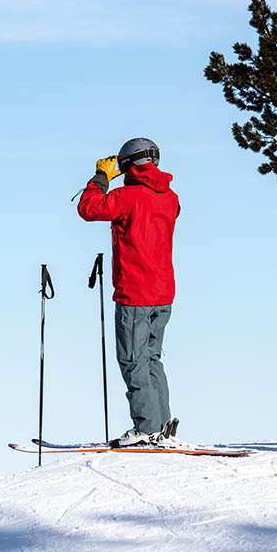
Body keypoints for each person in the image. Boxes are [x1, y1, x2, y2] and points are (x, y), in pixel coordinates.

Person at [77, 138, 181, 447]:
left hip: (135, 292)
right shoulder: (171, 198)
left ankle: (146, 429)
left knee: (133, 361)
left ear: (126, 165)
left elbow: (88, 209)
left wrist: (101, 178)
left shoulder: (127, 196)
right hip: (163, 292)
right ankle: (162, 429)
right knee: (151, 361)